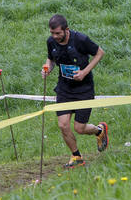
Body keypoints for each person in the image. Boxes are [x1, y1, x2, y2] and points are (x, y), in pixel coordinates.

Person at [41, 14, 108, 168]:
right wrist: (47, 69)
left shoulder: (81, 40)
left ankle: (99, 130)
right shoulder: (51, 42)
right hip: (64, 89)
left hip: (84, 89)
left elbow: (100, 53)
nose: (55, 36)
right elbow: (50, 59)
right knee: (63, 125)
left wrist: (84, 72)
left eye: (58, 33)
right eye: (52, 33)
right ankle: (76, 156)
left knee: (80, 128)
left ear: (67, 30)